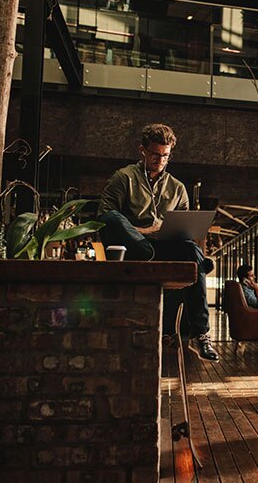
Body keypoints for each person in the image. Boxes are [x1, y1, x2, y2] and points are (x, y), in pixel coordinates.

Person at [97, 123, 219, 361]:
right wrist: (144, 230)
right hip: (136, 246)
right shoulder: (124, 178)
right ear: (142, 150)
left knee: (190, 246)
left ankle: (201, 334)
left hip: (165, 246)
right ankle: (196, 264)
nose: (160, 160)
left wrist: (173, 232)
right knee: (112, 218)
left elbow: (184, 228)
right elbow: (104, 220)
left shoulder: (178, 188)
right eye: (155, 154)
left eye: (165, 156)